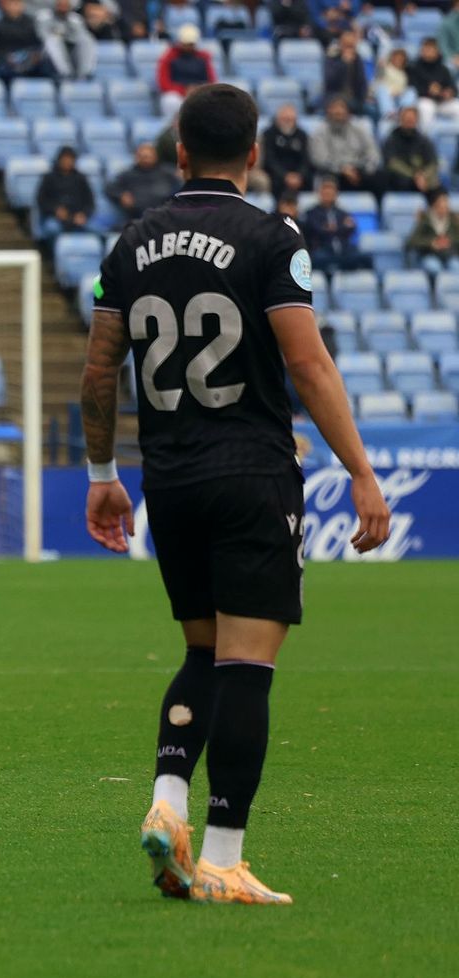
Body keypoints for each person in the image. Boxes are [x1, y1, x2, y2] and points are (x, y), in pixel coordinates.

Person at [81, 83, 389, 907]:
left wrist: (102, 476)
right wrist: (359, 469)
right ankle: (222, 858)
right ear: (253, 154)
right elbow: (308, 362)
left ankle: (167, 800)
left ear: (179, 151)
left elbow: (99, 369)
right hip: (251, 474)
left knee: (199, 652)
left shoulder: (129, 243)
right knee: (247, 668)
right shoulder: (270, 236)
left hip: (170, 480)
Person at [309, 96, 380, 196]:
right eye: (336, 112)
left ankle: (379, 209)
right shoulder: (319, 133)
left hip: (359, 170)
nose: (339, 115)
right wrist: (342, 169)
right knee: (328, 178)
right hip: (334, 172)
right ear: (328, 113)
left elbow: (373, 154)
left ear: (348, 113)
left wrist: (363, 170)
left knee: (380, 177)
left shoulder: (360, 130)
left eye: (342, 111)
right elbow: (320, 160)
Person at [301, 176, 372, 274]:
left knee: (366, 258)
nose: (328, 194)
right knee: (314, 259)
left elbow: (351, 228)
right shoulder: (311, 213)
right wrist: (340, 227)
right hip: (323, 250)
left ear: (336, 194)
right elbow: (317, 230)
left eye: (331, 192)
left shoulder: (343, 212)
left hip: (345, 250)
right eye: (325, 192)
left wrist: (331, 228)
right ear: (319, 194)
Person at [35, 146, 94, 247]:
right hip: (55, 217)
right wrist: (55, 210)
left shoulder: (81, 179)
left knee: (96, 229)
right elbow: (41, 200)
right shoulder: (49, 178)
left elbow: (90, 202)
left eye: (70, 159)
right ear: (59, 160)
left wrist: (83, 214)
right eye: (65, 159)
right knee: (52, 228)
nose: (67, 162)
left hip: (77, 217)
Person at [107, 142, 180, 221]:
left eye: (148, 156)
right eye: (143, 156)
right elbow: (109, 188)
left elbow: (182, 185)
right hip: (137, 217)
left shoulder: (168, 172)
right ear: (136, 157)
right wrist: (121, 195)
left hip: (164, 216)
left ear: (155, 156)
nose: (146, 159)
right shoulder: (127, 174)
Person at [0, 0, 57, 81]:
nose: (15, 7)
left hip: (30, 61)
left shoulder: (32, 24)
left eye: (18, 3)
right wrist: (6, 58)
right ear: (5, 6)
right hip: (7, 64)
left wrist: (34, 56)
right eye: (12, 4)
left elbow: (38, 44)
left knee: (47, 68)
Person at [157, 25, 216, 116]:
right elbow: (163, 82)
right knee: (170, 100)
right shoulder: (169, 57)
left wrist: (197, 90)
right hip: (177, 94)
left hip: (199, 93)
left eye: (191, 44)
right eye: (185, 44)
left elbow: (211, 81)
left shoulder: (204, 57)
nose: (188, 47)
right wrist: (183, 90)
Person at [382, 106, 442, 195]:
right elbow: (392, 163)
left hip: (423, 178)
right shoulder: (392, 139)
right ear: (401, 120)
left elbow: (433, 163)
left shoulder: (423, 140)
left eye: (412, 119)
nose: (410, 121)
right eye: (407, 119)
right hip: (401, 178)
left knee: (436, 184)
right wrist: (414, 175)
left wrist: (423, 175)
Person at [260, 104, 313, 198]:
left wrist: (299, 175)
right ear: (277, 119)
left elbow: (306, 159)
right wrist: (285, 176)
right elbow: (269, 159)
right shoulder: (268, 134)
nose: (287, 122)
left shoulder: (302, 135)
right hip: (276, 175)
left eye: (290, 119)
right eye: (285, 119)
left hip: (299, 177)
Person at [409, 37, 459, 127]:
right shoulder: (414, 67)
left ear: (437, 51)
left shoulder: (443, 68)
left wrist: (450, 93)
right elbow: (413, 88)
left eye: (430, 49)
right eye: (425, 49)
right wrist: (430, 91)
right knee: (425, 107)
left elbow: (453, 87)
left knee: (457, 106)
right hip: (425, 99)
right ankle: (425, 138)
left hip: (442, 101)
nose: (427, 51)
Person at [41, 0, 97, 80]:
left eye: (65, 4)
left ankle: (84, 74)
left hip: (70, 52)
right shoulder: (44, 17)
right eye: (60, 4)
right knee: (52, 40)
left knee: (87, 39)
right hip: (48, 59)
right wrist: (62, 36)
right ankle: (65, 74)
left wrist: (62, 34)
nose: (63, 7)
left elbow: (78, 37)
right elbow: (42, 36)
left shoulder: (75, 19)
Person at [406, 189, 457, 272]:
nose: (445, 205)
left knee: (456, 266)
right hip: (429, 255)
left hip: (449, 255)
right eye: (442, 202)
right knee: (434, 267)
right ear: (434, 205)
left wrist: (448, 241)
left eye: (446, 202)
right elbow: (411, 241)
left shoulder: (453, 218)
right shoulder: (425, 219)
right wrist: (431, 243)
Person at [322, 31, 370, 117]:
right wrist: (343, 64)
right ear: (341, 45)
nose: (349, 49)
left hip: (354, 99)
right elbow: (330, 81)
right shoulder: (331, 58)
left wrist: (364, 98)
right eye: (346, 46)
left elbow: (362, 82)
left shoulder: (358, 59)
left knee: (372, 111)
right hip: (334, 98)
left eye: (351, 46)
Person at [374, 46, 419, 121]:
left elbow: (404, 88)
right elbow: (379, 76)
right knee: (381, 89)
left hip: (399, 98)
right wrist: (381, 66)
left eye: (401, 59)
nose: (398, 60)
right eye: (396, 58)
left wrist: (399, 93)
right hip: (387, 96)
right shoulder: (386, 68)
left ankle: (403, 112)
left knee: (411, 91)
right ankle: (389, 113)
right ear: (392, 58)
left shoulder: (404, 73)